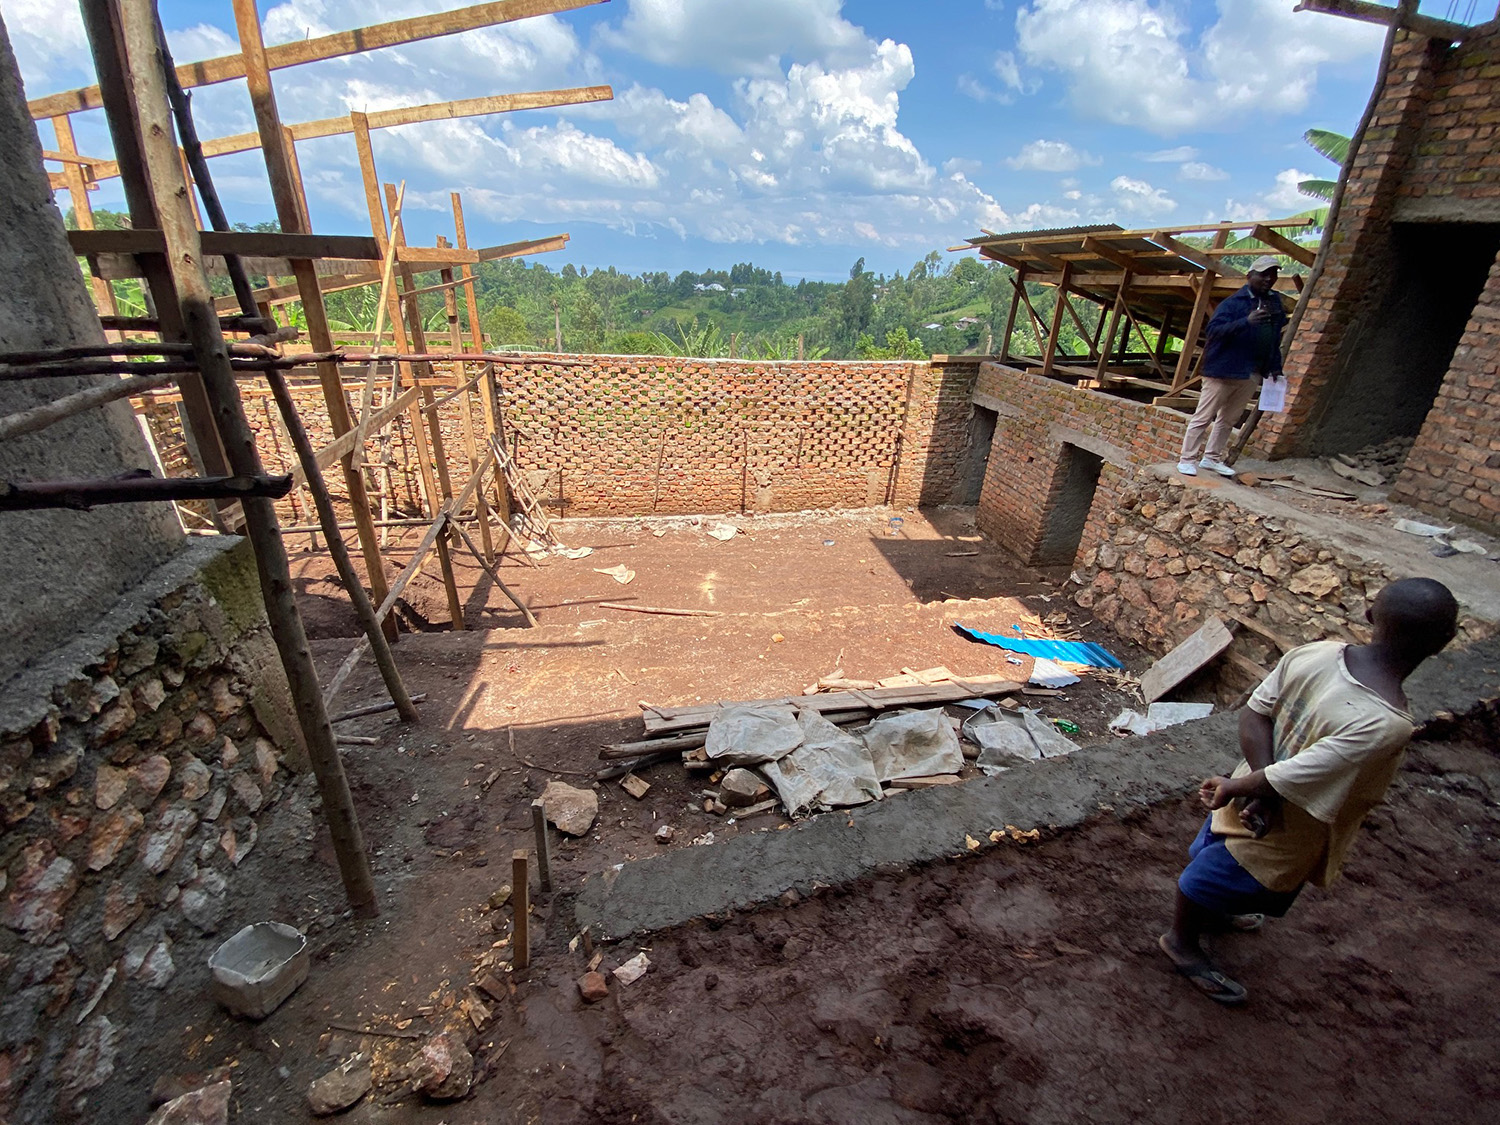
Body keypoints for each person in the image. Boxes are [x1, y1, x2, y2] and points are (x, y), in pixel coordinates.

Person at [1159, 577, 1460, 1005]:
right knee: (1217, 875)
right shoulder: (1385, 723)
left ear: (1369, 615)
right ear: (1445, 641)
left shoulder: (1316, 654)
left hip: (1252, 794)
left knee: (1218, 853)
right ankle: (1181, 942)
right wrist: (1251, 790)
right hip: (1286, 819)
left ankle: (1214, 914)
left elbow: (1254, 715)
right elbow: (1304, 774)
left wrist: (1250, 785)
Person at [1178, 255, 1287, 478]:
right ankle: (1187, 459)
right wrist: (1245, 322)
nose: (1268, 279)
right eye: (1263, 274)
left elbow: (1273, 338)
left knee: (1228, 419)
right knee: (1204, 417)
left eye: (1273, 275)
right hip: (1223, 371)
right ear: (1250, 276)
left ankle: (1211, 458)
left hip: (1251, 371)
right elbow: (1213, 331)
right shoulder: (1234, 303)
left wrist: (1274, 366)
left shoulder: (1274, 303)